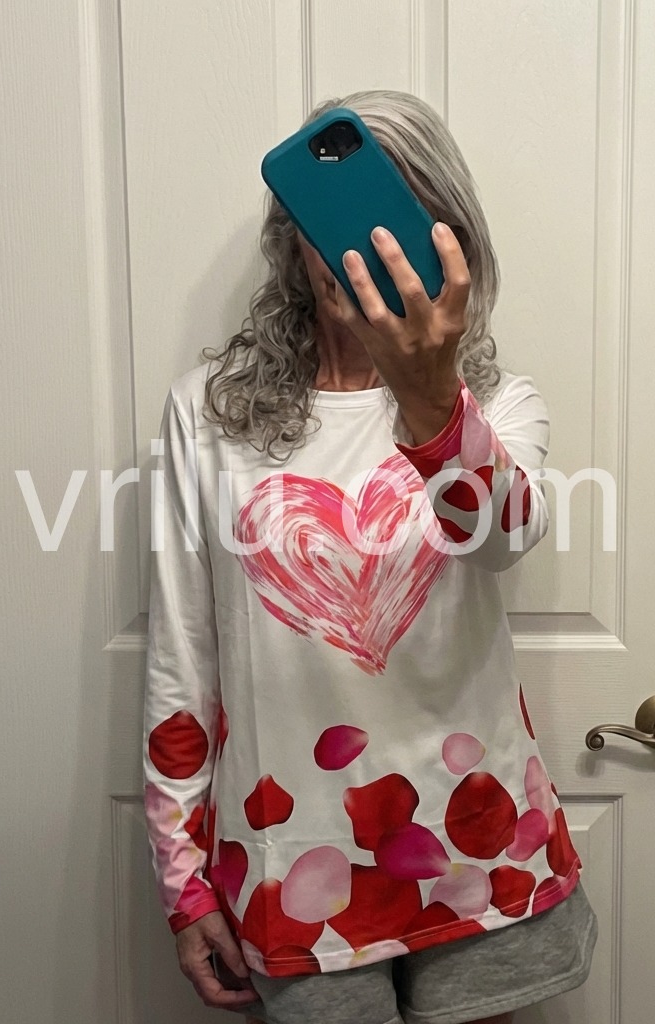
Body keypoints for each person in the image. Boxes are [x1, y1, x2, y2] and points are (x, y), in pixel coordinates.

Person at [142, 89, 598, 1024]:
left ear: (449, 240)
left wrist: (432, 400)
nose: (360, 244)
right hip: (291, 859)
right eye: (334, 214)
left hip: (478, 845)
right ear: (292, 234)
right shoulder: (207, 413)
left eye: (399, 215)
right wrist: (184, 883)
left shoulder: (499, 406)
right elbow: (180, 661)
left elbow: (503, 537)